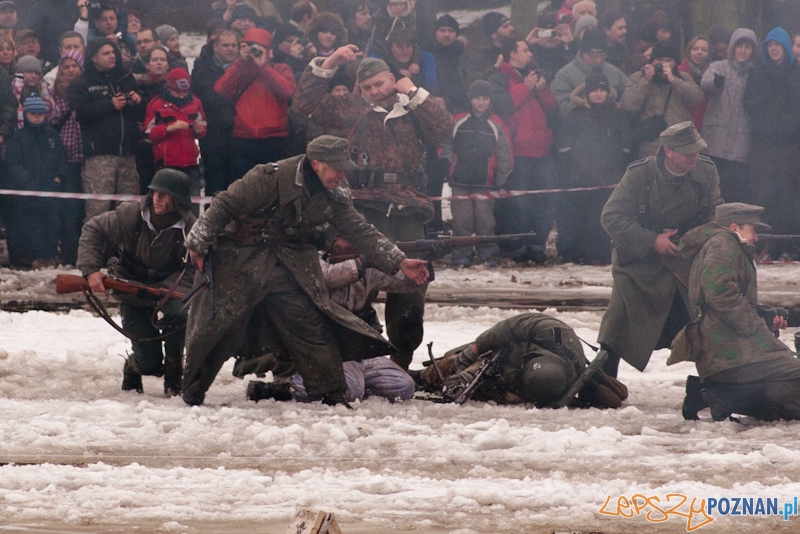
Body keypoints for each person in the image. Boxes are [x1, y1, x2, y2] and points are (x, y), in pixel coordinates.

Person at [180, 135, 431, 406]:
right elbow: (224, 205)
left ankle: (331, 390)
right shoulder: (268, 178)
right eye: (337, 168)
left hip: (290, 263)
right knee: (223, 325)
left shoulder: (335, 191)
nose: (343, 174)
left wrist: (399, 261)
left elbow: (359, 230)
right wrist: (197, 244)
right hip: (241, 260)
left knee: (310, 324)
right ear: (316, 164)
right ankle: (193, 389)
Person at [293, 49, 453, 370]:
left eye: (379, 84)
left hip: (409, 207)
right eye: (366, 87)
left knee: (410, 291)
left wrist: (413, 91)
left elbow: (444, 129)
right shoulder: (351, 109)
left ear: (392, 80)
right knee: (355, 283)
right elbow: (306, 104)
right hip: (364, 206)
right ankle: (350, 357)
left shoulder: (415, 106)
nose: (373, 92)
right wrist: (330, 63)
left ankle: (400, 363)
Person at [598, 122, 722, 378]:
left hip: (684, 262)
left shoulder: (706, 172)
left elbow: (714, 214)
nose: (694, 157)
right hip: (640, 264)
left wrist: (695, 240)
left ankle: (720, 382)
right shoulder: (640, 175)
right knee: (618, 322)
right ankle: (601, 383)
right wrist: (652, 240)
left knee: (710, 322)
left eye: (697, 151)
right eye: (688, 152)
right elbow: (611, 217)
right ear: (668, 151)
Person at [244, 242, 422, 404]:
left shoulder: (363, 263)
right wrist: (362, 262)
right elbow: (326, 278)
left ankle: (354, 384)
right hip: (322, 347)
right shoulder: (313, 257)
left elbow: (401, 282)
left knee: (403, 387)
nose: (342, 242)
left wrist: (419, 267)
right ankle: (280, 389)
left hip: (356, 347)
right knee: (347, 392)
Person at [670, 203, 800, 422]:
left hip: (732, 349)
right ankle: (714, 396)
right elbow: (720, 294)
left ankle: (717, 395)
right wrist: (756, 326)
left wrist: (764, 318)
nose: (756, 237)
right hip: (728, 351)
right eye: (753, 229)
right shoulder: (723, 244)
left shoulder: (725, 245)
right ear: (734, 227)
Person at [77, 169, 196, 396]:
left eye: (165, 194)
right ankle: (133, 366)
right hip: (132, 287)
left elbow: (194, 267)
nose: (157, 198)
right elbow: (93, 229)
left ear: (178, 200)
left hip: (170, 290)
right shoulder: (131, 216)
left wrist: (168, 289)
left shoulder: (191, 228)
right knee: (148, 361)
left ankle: (174, 377)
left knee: (180, 316)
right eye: (155, 192)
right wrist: (91, 270)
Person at [418, 312, 627, 409]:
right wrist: (476, 348)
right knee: (442, 368)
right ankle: (419, 377)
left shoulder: (557, 388)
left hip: (502, 377)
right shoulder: (553, 334)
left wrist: (479, 379)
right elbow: (512, 325)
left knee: (492, 391)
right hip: (498, 352)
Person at [489, 39, 557, 264]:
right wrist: (526, 87)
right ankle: (515, 249)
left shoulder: (534, 76)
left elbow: (552, 108)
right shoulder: (499, 79)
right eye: (525, 50)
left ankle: (537, 247)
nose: (530, 54)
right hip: (517, 152)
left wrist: (542, 89)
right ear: (512, 54)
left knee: (545, 200)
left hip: (542, 151)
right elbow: (502, 106)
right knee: (517, 204)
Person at [556, 73, 630, 265]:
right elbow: (564, 147)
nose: (598, 94)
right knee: (579, 216)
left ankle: (601, 253)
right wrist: (571, 171)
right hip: (580, 176)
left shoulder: (616, 114)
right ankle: (574, 253)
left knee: (603, 216)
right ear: (587, 93)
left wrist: (617, 171)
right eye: (594, 91)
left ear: (608, 92)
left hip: (609, 176)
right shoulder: (576, 114)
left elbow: (624, 147)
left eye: (602, 90)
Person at [67, 37, 142, 221]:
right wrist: (110, 105)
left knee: (129, 212)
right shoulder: (81, 83)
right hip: (99, 155)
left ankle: (124, 250)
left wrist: (139, 102)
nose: (111, 56)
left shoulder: (125, 77)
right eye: (106, 53)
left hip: (128, 153)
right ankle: (95, 249)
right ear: (93, 57)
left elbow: (141, 114)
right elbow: (81, 113)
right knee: (98, 211)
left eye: (113, 52)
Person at [440, 80, 512, 267]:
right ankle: (461, 254)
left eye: (485, 98)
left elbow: (506, 154)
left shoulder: (496, 124)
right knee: (461, 222)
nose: (481, 103)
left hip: (486, 182)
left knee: (485, 222)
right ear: (470, 100)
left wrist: (503, 182)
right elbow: (445, 145)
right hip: (459, 181)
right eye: (477, 98)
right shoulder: (457, 120)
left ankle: (489, 256)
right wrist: (447, 166)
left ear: (490, 101)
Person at [742, 27, 800, 259]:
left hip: (789, 147)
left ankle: (785, 246)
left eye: (777, 44)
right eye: (769, 44)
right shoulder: (758, 72)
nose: (774, 48)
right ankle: (761, 245)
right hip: (762, 146)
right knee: (762, 197)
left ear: (786, 47)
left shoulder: (796, 73)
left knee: (787, 198)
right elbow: (749, 103)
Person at [214, 27, 296, 181]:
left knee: (274, 188)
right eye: (249, 45)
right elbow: (221, 90)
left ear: (267, 49)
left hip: (274, 139)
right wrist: (240, 62)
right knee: (244, 190)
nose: (254, 50)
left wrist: (263, 67)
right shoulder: (239, 70)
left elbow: (288, 91)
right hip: (243, 140)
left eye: (258, 46)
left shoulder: (280, 68)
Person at [2, 94, 68, 269]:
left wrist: (58, 178)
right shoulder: (18, 138)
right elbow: (13, 164)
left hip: (50, 190)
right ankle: (34, 257)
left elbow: (62, 159)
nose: (37, 117)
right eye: (33, 113)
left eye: (41, 113)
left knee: (52, 223)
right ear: (26, 114)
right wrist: (29, 182)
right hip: (27, 193)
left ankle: (50, 255)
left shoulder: (52, 136)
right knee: (32, 225)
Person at [699, 28, 758, 204]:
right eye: (739, 45)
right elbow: (705, 84)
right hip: (714, 142)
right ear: (732, 46)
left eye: (748, 47)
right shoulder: (718, 67)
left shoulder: (755, 74)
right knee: (709, 192)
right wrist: (717, 84)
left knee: (733, 195)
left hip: (740, 145)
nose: (742, 50)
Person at [621, 40, 704, 158]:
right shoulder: (638, 77)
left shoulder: (683, 77)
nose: (663, 64)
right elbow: (628, 105)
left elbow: (696, 99)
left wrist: (674, 80)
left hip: (679, 146)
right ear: (652, 60)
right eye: (659, 60)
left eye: (668, 60)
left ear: (675, 63)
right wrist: (646, 80)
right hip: (650, 146)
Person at [144, 68, 206, 213]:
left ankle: (192, 235)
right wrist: (168, 128)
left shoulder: (195, 103)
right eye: (177, 92)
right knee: (167, 208)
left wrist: (199, 131)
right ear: (169, 88)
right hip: (167, 166)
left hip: (190, 164)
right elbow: (147, 134)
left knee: (192, 209)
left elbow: (203, 126)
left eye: (184, 92)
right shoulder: (156, 104)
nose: (181, 95)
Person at [49, 50, 85, 266]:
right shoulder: (55, 94)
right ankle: (70, 253)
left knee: (86, 208)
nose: (71, 70)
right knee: (69, 208)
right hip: (65, 157)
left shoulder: (87, 91)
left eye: (75, 66)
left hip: (86, 155)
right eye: (67, 66)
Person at [192, 28, 238, 195]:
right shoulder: (202, 67)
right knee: (215, 185)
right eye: (226, 45)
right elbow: (211, 97)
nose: (231, 49)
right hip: (213, 133)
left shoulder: (245, 67)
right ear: (215, 47)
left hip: (238, 133)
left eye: (234, 45)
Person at [551, 28, 627, 118]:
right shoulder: (565, 75)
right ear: (584, 53)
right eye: (594, 56)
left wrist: (620, 106)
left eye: (602, 55)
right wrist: (582, 112)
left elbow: (628, 92)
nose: (599, 60)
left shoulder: (614, 72)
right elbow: (560, 102)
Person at [428, 14, 468, 114]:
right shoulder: (426, 55)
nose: (446, 34)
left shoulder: (464, 55)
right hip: (434, 108)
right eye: (442, 30)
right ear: (435, 33)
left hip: (460, 108)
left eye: (451, 31)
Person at [23, 0, 84, 64]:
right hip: (47, 60)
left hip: (75, 60)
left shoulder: (77, 4)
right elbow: (32, 35)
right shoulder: (38, 7)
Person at [466, 12, 516, 85]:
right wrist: (495, 68)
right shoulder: (481, 59)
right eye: (505, 26)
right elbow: (471, 82)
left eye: (510, 24)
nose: (511, 28)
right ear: (493, 34)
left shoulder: (517, 50)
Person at [11, 55, 55, 129]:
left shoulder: (43, 91)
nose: (34, 75)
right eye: (29, 72)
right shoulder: (11, 91)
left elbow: (52, 115)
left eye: (37, 73)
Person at [678, 35, 710, 130]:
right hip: (684, 123)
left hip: (704, 123)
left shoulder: (711, 72)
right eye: (695, 49)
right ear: (689, 51)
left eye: (704, 50)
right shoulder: (680, 71)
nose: (699, 52)